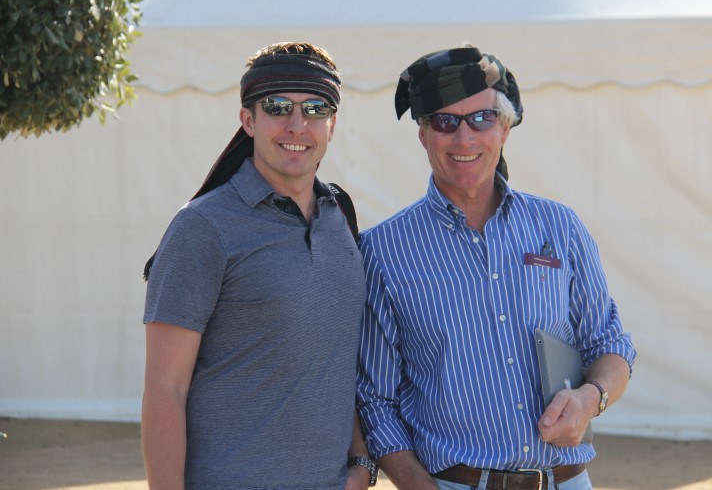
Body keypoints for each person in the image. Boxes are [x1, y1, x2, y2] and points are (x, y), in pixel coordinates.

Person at [356, 46, 637, 490]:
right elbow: (375, 400)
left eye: (482, 119)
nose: (464, 138)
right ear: (423, 135)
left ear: (505, 129)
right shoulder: (383, 250)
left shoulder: (559, 226)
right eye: (445, 122)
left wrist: (591, 397)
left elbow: (610, 344)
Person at [141, 42, 377, 490]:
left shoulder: (340, 217)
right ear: (248, 120)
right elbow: (164, 388)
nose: (297, 125)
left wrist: (361, 465)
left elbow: (335, 359)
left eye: (315, 109)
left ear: (332, 124)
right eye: (278, 107)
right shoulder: (202, 227)